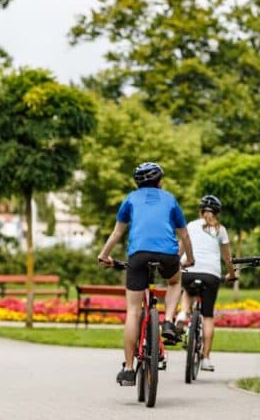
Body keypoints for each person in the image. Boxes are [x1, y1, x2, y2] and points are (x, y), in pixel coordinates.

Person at [97, 161, 195, 386]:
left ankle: (129, 369)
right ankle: (168, 320)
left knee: (133, 311)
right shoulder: (170, 199)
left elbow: (116, 233)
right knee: (174, 281)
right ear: (160, 181)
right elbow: (185, 235)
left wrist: (104, 255)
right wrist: (189, 258)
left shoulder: (130, 199)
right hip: (168, 255)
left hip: (138, 255)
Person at [174, 194, 236, 372]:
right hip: (211, 274)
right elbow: (227, 257)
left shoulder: (191, 226)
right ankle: (206, 359)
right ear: (217, 213)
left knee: (187, 291)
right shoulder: (220, 230)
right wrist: (231, 274)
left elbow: (181, 249)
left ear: (200, 211)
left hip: (189, 270)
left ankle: (183, 314)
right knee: (207, 316)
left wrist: (175, 265)